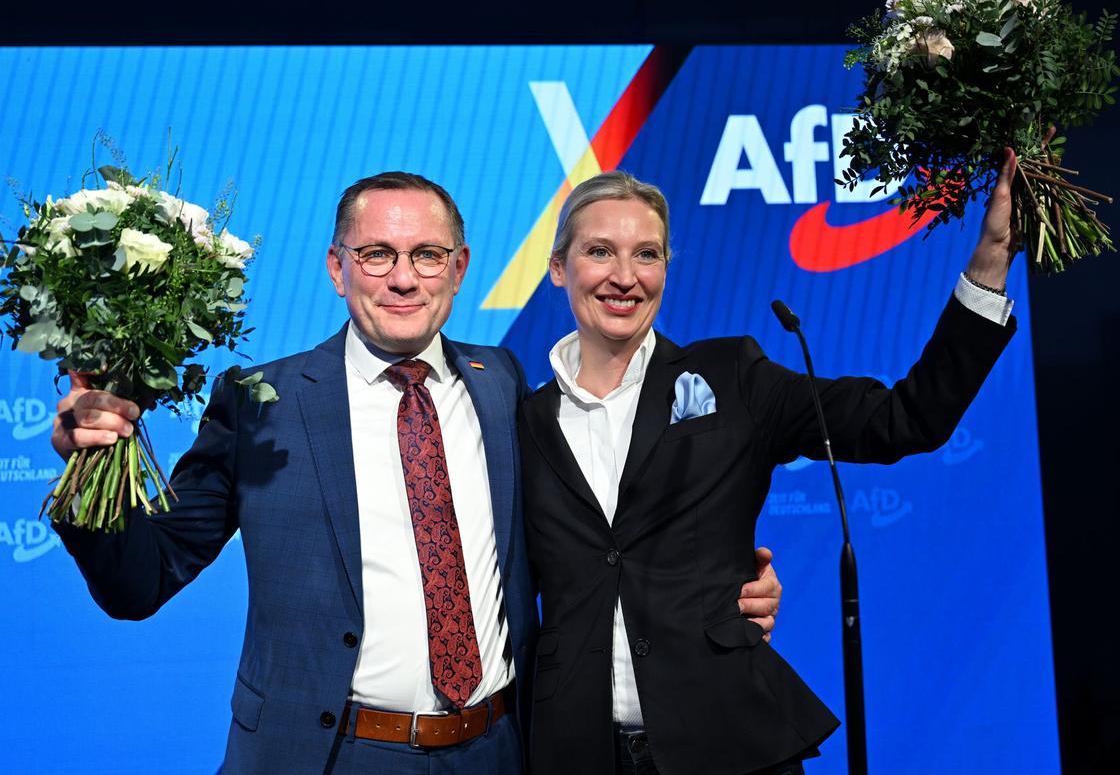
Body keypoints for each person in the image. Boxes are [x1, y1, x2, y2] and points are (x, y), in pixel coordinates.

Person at [49, 171, 783, 774]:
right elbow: (140, 581)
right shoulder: (261, 403)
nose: (404, 279)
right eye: (377, 255)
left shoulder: (501, 384)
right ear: (337, 268)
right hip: (332, 757)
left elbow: (589, 543)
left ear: (459, 270)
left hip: (499, 752)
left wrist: (713, 589)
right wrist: (91, 470)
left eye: (428, 255)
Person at [518, 153, 1020, 775]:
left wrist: (991, 259)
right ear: (558, 269)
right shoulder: (519, 421)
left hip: (730, 739)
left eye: (646, 255)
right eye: (600, 252)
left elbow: (903, 421)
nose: (625, 276)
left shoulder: (734, 377)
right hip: (574, 751)